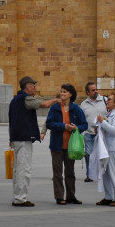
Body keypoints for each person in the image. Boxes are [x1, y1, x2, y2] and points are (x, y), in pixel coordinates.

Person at [45, 83, 88, 205]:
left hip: (71, 146)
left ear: (71, 94)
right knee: (57, 172)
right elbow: (49, 123)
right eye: (61, 91)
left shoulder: (76, 109)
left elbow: (84, 124)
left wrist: (76, 128)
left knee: (70, 172)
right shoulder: (55, 108)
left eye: (65, 92)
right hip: (57, 145)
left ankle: (71, 196)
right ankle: (59, 196)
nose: (62, 93)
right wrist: (64, 126)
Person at [8, 76, 42, 207]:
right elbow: (42, 104)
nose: (35, 88)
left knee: (18, 169)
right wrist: (56, 100)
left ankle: (17, 196)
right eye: (33, 86)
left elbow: (11, 121)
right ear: (28, 86)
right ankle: (20, 198)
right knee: (24, 169)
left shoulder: (14, 100)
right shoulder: (26, 99)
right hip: (23, 138)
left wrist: (10, 138)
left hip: (16, 138)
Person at [95, 92, 115, 207]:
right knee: (106, 173)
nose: (107, 101)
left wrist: (102, 122)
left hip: (114, 147)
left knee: (113, 172)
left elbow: (114, 130)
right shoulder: (110, 113)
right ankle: (108, 196)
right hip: (107, 147)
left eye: (109, 99)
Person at [79, 82, 107, 183]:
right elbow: (81, 118)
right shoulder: (83, 104)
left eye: (96, 89)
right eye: (93, 90)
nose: (96, 91)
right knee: (88, 154)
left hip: (102, 133)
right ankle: (90, 175)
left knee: (102, 154)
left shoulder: (104, 100)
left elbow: (110, 114)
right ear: (87, 92)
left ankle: (103, 173)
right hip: (88, 133)